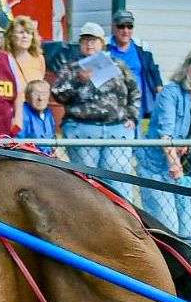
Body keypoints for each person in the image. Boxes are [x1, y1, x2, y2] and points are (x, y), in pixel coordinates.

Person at [138, 46, 191, 256]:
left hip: (188, 176)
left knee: (190, 234)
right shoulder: (170, 93)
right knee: (168, 229)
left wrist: (187, 146)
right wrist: (174, 163)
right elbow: (166, 133)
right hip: (160, 172)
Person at [50, 21, 138, 196]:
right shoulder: (71, 67)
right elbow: (58, 95)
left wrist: (133, 117)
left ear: (102, 43)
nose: (89, 44)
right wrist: (77, 80)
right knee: (87, 184)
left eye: (93, 40)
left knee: (119, 183)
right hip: (83, 131)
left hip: (116, 131)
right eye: (85, 40)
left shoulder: (117, 65)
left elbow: (134, 92)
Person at [105, 10, 163, 125]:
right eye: (121, 26)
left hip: (138, 103)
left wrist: (160, 93)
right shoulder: (104, 46)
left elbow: (153, 70)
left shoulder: (141, 47)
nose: (126, 31)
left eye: (130, 27)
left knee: (139, 138)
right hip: (111, 102)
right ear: (114, 28)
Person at [17, 78, 59, 158]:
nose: (40, 98)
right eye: (36, 94)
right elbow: (17, 144)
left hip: (47, 159)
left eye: (44, 94)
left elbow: (52, 138)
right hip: (29, 160)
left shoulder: (48, 113)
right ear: (27, 97)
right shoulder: (22, 114)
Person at [3, 15, 45, 84]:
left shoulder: (39, 59)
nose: (25, 36)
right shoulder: (4, 59)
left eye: (28, 33)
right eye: (21, 32)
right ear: (11, 36)